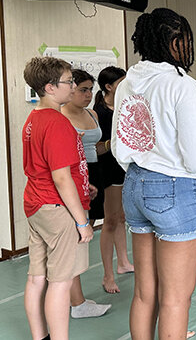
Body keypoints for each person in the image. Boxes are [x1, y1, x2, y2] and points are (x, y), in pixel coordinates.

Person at [112, 8, 196, 339]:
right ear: (174, 42)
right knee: (176, 299)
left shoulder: (126, 84)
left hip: (135, 182)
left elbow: (121, 143)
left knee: (145, 292)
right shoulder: (182, 85)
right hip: (177, 189)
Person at [22, 56, 94, 340]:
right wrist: (82, 223)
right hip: (57, 208)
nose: (73, 86)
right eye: (69, 82)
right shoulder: (57, 122)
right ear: (50, 87)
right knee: (61, 282)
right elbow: (61, 178)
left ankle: (40, 336)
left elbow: (49, 167)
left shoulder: (34, 118)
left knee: (36, 277)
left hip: (37, 205)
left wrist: (83, 185)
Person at [61, 69, 112, 317]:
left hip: (94, 173)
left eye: (91, 89)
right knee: (74, 241)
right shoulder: (61, 116)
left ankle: (75, 298)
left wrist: (113, 144)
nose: (88, 95)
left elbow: (95, 148)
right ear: (70, 90)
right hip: (74, 175)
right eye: (83, 89)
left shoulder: (92, 114)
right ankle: (77, 303)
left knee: (84, 238)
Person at [93, 66, 134, 294]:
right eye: (121, 82)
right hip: (108, 171)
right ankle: (107, 275)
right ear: (108, 87)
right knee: (109, 221)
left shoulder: (123, 106)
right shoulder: (99, 112)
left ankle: (123, 262)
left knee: (121, 218)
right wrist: (115, 142)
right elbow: (97, 147)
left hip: (123, 168)